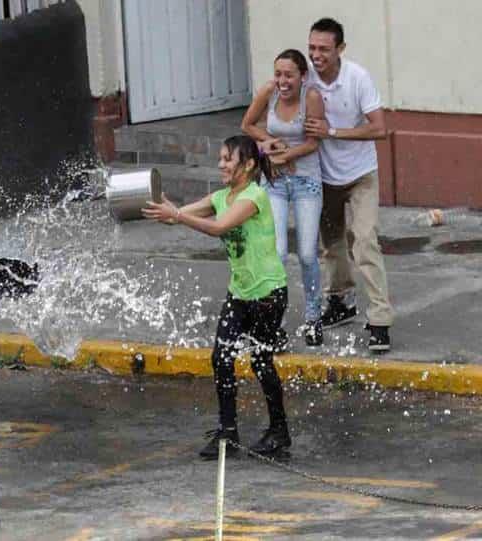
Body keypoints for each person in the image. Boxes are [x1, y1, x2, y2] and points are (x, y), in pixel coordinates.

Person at [142, 135, 291, 458]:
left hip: (268, 294)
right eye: (221, 158)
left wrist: (178, 215)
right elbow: (179, 214)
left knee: (260, 361)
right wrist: (165, 208)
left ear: (249, 164)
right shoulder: (222, 195)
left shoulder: (254, 197)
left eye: (228, 159)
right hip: (239, 293)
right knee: (220, 358)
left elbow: (218, 227)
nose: (221, 164)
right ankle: (228, 432)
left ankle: (279, 432)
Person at [303, 17, 393, 352]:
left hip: (360, 175)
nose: (316, 55)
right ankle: (340, 302)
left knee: (365, 240)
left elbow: (379, 128)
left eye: (324, 49)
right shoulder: (306, 77)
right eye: (312, 47)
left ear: (340, 49)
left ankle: (380, 321)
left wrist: (334, 132)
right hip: (323, 176)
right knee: (331, 246)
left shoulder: (357, 78)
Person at [242, 49, 326, 347]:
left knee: (305, 254)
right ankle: (272, 322)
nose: (282, 81)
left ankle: (314, 317)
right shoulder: (269, 91)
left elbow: (315, 141)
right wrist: (268, 142)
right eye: (278, 74)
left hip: (306, 181)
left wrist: (287, 155)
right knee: (276, 254)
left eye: (289, 75)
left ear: (302, 76)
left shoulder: (311, 98)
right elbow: (248, 125)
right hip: (274, 182)